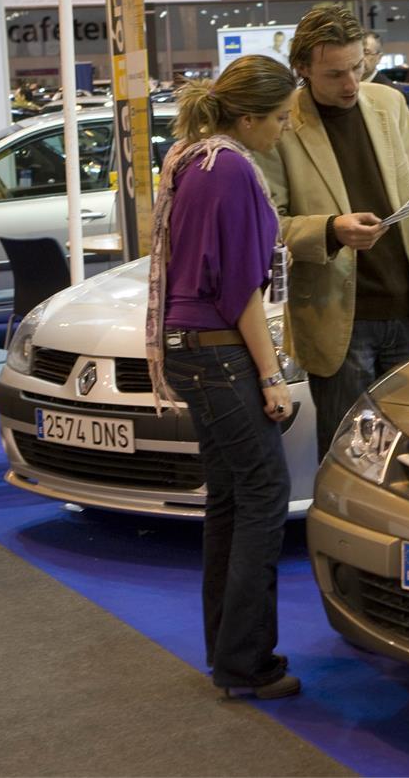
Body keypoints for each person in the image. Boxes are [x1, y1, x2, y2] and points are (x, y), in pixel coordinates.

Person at [144, 55, 301, 701]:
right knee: (265, 493)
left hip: (188, 350)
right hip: (217, 351)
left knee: (231, 499)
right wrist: (271, 375)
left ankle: (229, 651)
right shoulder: (231, 167)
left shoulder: (190, 158)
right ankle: (246, 660)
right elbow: (239, 290)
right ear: (247, 116)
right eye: (281, 117)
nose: (286, 129)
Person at [257, 4, 409, 458]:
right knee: (349, 457)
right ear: (303, 68)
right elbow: (268, 226)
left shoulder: (388, 103)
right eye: (335, 74)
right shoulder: (282, 122)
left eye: (358, 67)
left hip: (405, 308)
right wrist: (332, 230)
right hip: (338, 321)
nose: (351, 83)